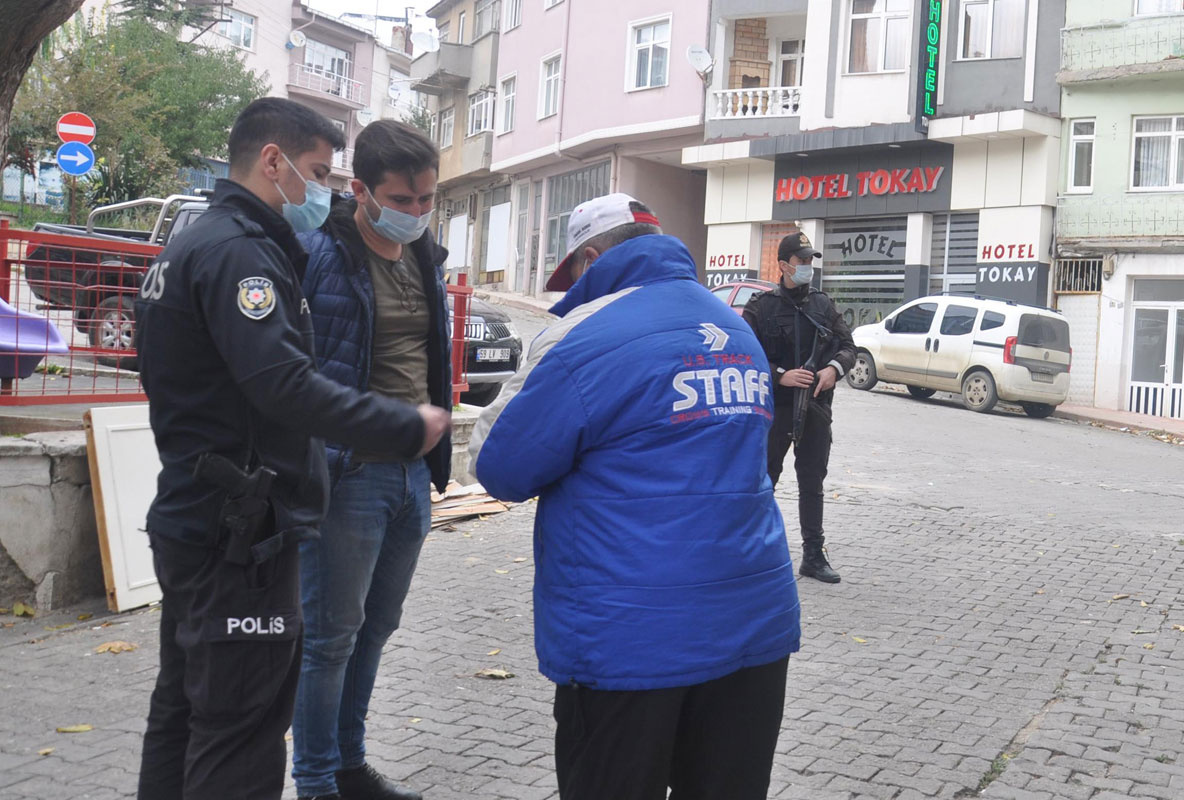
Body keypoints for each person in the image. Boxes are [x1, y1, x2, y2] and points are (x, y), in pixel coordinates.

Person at [133, 98, 451, 800]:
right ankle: (319, 780)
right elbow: (285, 384)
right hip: (240, 525)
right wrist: (402, 425)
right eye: (317, 171)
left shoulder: (194, 244)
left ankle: (343, 762)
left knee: (185, 707)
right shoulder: (245, 253)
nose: (323, 189)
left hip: (202, 509)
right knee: (239, 723)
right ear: (272, 161)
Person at [469, 193, 801, 800]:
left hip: (630, 639)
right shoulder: (734, 328)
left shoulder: (582, 337)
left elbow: (499, 467)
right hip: (753, 625)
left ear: (590, 259)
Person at [290, 120, 451, 800]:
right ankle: (317, 781)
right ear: (360, 190)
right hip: (350, 473)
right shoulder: (323, 254)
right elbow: (303, 372)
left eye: (426, 199)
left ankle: (350, 766)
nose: (416, 212)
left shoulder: (425, 257)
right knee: (330, 638)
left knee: (377, 628)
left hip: (413, 477)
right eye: (402, 199)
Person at [742, 231, 857, 584]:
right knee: (765, 480)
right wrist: (780, 376)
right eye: (801, 261)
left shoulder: (823, 305)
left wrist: (832, 370)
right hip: (775, 408)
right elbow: (745, 356)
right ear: (783, 266)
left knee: (812, 482)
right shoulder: (761, 308)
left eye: (810, 261)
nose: (808, 267)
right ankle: (752, 552)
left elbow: (849, 347)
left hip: (815, 407)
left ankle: (813, 554)